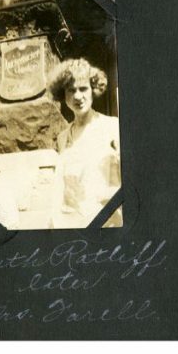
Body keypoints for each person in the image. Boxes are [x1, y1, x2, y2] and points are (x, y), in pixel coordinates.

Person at [48, 58, 121, 227]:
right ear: (63, 95)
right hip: (75, 224)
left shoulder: (112, 127)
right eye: (71, 90)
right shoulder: (63, 137)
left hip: (108, 221)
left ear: (93, 90)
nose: (78, 96)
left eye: (83, 89)